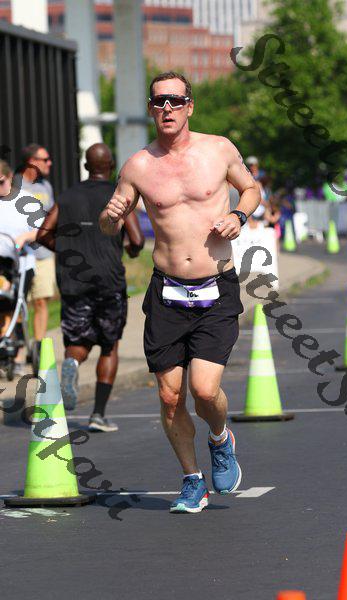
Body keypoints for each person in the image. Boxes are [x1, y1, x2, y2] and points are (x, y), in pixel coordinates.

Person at [99, 71, 261, 513]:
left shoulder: (219, 149)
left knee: (204, 391)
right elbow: (110, 224)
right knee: (170, 396)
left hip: (215, 287)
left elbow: (251, 188)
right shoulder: (138, 166)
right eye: (159, 101)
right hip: (167, 291)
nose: (166, 108)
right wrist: (111, 217)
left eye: (174, 100)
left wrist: (239, 217)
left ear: (190, 106)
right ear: (151, 109)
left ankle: (220, 438)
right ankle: (192, 480)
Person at [37, 143, 144, 432]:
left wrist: (66, 250)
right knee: (109, 345)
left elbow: (43, 233)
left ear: (86, 166)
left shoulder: (67, 196)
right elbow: (137, 239)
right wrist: (131, 251)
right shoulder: (118, 196)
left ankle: (72, 363)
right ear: (111, 166)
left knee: (77, 340)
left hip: (74, 281)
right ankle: (98, 414)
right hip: (109, 281)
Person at [0, 160, 38, 374]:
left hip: (21, 264)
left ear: (9, 178)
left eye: (1, 182)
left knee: (15, 304)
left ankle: (19, 353)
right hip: (1, 266)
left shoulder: (25, 201)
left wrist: (25, 237)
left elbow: (42, 230)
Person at [18, 143, 56, 343]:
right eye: (45, 159)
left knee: (41, 302)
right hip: (21, 255)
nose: (50, 163)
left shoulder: (46, 186)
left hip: (44, 254)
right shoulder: (14, 186)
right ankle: (18, 347)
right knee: (19, 304)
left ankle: (38, 347)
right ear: (32, 162)